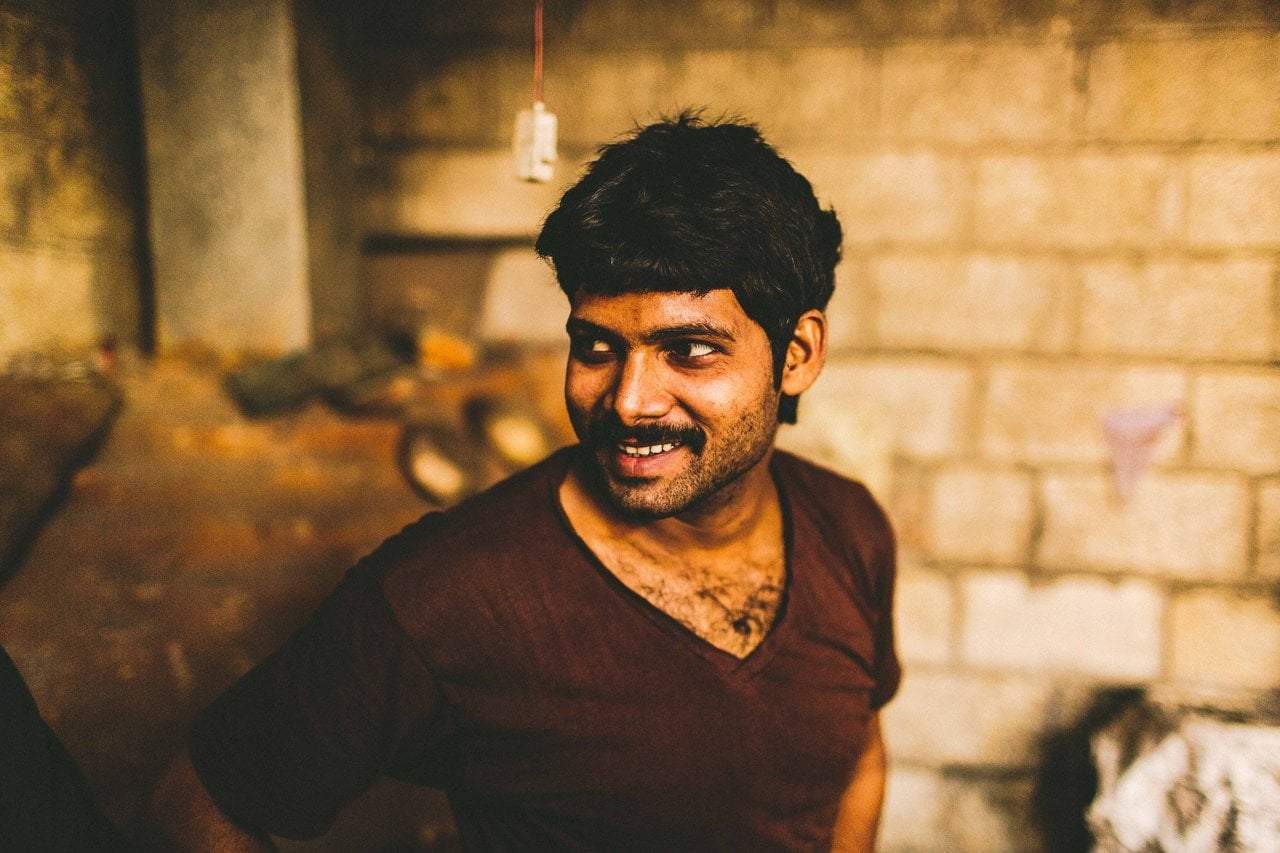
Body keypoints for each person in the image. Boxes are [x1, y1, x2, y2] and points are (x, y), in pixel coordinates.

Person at [149, 112, 900, 851]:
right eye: (597, 347)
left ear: (798, 353)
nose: (628, 401)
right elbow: (199, 802)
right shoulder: (447, 593)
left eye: (689, 350)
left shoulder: (848, 527)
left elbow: (858, 758)